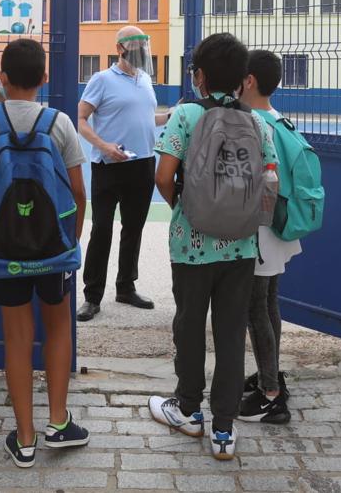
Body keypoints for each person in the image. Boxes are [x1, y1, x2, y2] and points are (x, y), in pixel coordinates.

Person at [0, 38, 90, 467]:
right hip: (54, 247)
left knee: (16, 338)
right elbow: (77, 191)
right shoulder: (59, 123)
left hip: (2, 246)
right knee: (58, 327)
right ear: (45, 78)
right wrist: (72, 241)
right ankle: (58, 422)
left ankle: (26, 439)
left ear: (3, 76)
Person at [146, 33, 277, 461]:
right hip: (240, 248)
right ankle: (223, 429)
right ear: (244, 79)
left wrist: (186, 208)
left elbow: (164, 175)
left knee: (188, 326)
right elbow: (269, 183)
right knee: (230, 332)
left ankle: (187, 410)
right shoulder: (258, 122)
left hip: (191, 246)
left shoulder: (185, 115)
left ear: (199, 76)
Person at [75, 26, 171, 322]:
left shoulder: (145, 80)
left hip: (142, 163)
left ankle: (126, 287)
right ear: (120, 48)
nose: (142, 49)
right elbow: (80, 118)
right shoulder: (102, 80)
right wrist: (104, 146)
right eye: (136, 44)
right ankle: (92, 296)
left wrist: (169, 116)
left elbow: (145, 118)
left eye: (144, 44)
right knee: (101, 229)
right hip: (108, 165)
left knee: (133, 228)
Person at [237, 50, 299, 424]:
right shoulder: (278, 119)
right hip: (277, 226)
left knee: (254, 310)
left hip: (260, 229)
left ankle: (271, 396)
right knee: (269, 303)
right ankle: (270, 375)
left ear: (248, 81)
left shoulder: (252, 123)